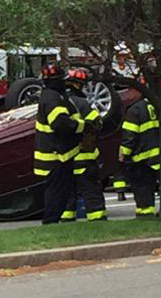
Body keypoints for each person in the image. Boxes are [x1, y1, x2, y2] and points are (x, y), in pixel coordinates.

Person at [34, 63, 86, 224]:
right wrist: (81, 126)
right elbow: (60, 124)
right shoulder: (52, 98)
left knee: (61, 191)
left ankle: (53, 220)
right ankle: (51, 221)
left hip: (59, 154)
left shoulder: (54, 95)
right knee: (56, 191)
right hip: (56, 156)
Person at [60, 68, 107, 222]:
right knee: (91, 191)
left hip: (64, 158)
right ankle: (97, 219)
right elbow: (97, 124)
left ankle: (67, 220)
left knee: (67, 193)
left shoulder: (58, 103)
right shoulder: (82, 103)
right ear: (79, 85)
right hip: (85, 157)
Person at [119, 82, 160, 217]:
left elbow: (130, 135)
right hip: (158, 154)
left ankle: (145, 212)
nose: (128, 94)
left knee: (142, 187)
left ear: (138, 92)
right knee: (154, 185)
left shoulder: (135, 110)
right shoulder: (155, 106)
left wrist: (123, 152)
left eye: (130, 91)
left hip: (142, 157)